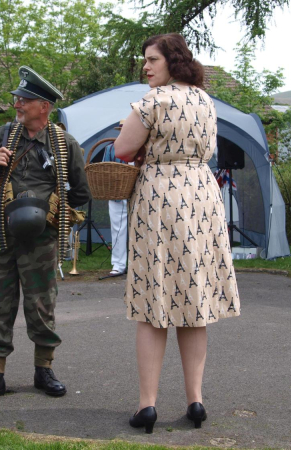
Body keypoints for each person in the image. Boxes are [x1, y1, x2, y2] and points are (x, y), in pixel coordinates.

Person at [114, 33, 241, 433]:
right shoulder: (206, 100)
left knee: (154, 303)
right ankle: (196, 401)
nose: (146, 68)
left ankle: (147, 406)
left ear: (173, 61)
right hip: (202, 195)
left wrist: (133, 131)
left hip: (161, 199)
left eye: (152, 60)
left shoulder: (151, 102)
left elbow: (121, 149)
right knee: (194, 298)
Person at [0, 66, 91, 404]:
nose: (18, 104)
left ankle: (44, 370)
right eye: (18, 99)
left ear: (44, 107)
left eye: (25, 99)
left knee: (42, 305)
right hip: (1, 234)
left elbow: (81, 195)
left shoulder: (65, 144)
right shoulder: (4, 134)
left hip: (41, 239)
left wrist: (56, 215)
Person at [102, 133, 129, 277]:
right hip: (117, 193)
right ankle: (118, 264)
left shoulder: (145, 148)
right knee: (117, 228)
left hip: (141, 193)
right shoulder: (110, 148)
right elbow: (104, 171)